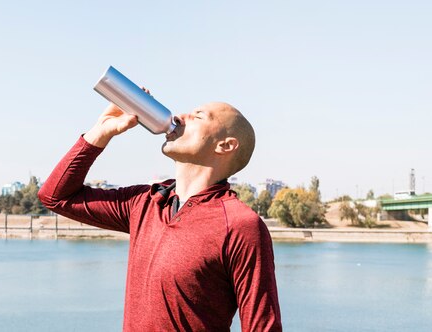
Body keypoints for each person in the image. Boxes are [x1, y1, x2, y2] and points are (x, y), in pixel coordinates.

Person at [38, 100, 282, 331]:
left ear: (225, 145)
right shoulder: (145, 201)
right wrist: (101, 133)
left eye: (197, 116)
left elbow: (263, 327)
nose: (178, 117)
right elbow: (56, 197)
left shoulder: (241, 225)